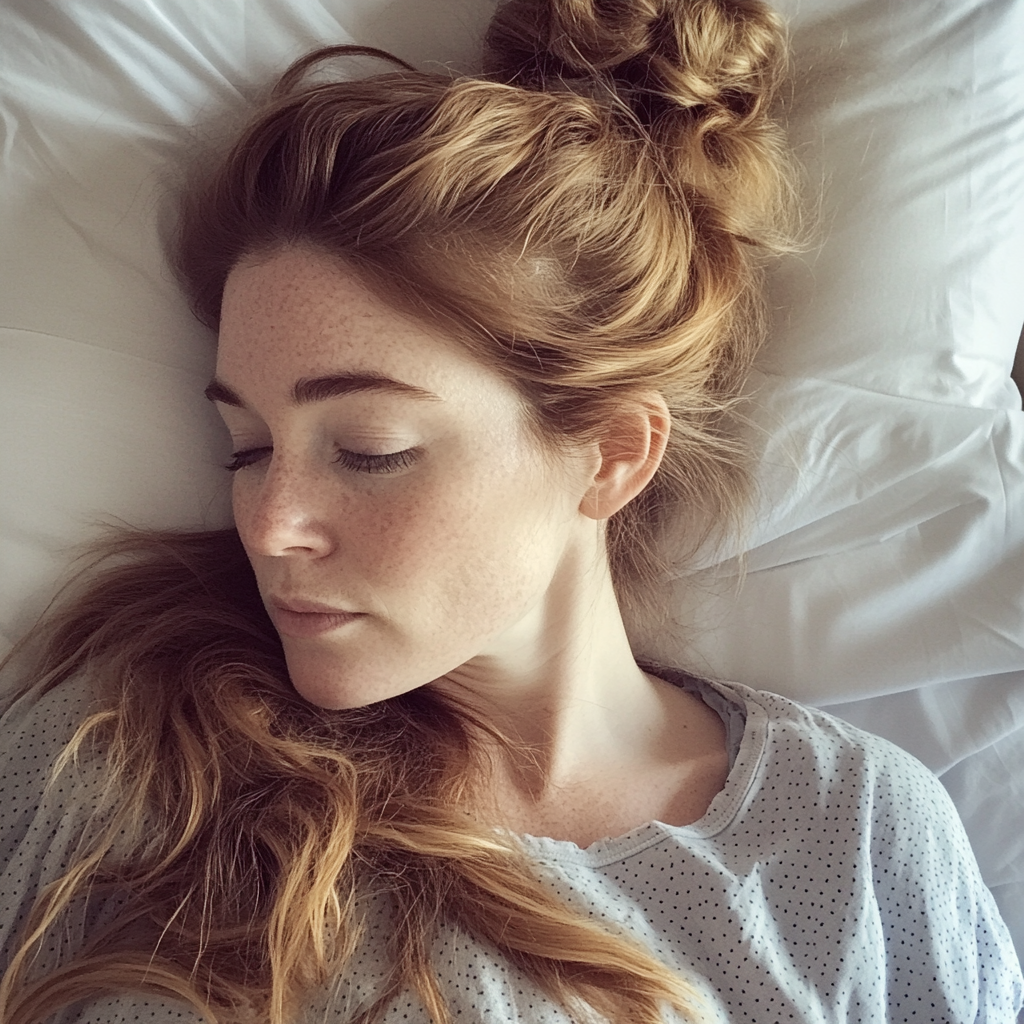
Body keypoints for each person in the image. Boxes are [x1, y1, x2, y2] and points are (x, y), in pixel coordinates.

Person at [0, 0, 1021, 1022]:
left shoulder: (856, 832)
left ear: (610, 455)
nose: (271, 525)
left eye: (369, 450)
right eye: (249, 447)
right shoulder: (136, 754)